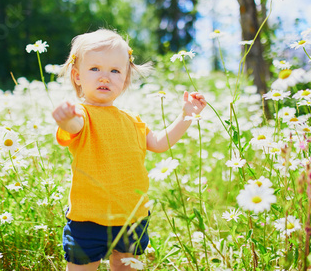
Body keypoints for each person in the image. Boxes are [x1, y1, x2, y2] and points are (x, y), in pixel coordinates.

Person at [52, 29, 206, 271]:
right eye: (95, 69)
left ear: (125, 80)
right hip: (88, 218)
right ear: (77, 76)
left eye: (115, 71)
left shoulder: (132, 120)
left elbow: (159, 143)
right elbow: (74, 127)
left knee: (126, 267)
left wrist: (187, 115)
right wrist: (65, 120)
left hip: (132, 216)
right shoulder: (83, 114)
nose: (105, 77)